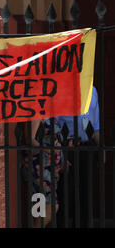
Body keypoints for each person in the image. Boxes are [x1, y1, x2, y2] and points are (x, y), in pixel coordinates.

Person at [56, 85, 100, 228]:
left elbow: (96, 123)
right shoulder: (61, 89)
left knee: (85, 190)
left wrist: (101, 148)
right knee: (66, 191)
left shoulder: (92, 90)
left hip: (87, 146)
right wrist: (60, 151)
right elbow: (53, 123)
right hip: (67, 147)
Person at [23, 120, 64, 227]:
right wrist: (49, 150)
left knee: (41, 209)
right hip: (40, 167)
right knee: (51, 206)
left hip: (51, 168)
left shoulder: (52, 115)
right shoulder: (37, 113)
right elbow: (29, 139)